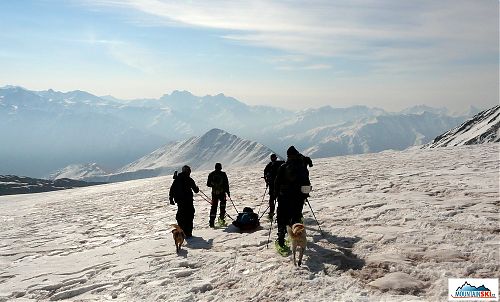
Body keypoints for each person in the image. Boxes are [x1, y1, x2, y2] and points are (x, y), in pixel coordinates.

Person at [274, 146, 311, 248]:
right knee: (296, 217)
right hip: (298, 198)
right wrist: (305, 195)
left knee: (282, 217)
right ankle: (298, 238)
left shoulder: (283, 167)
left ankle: (281, 238)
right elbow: (306, 183)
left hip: (284, 197)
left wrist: (276, 195)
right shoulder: (302, 167)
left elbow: (277, 183)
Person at [169, 165, 199, 238]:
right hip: (188, 201)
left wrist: (171, 199)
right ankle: (188, 233)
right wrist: (197, 188)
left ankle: (182, 232)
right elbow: (196, 190)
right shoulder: (189, 179)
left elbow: (172, 189)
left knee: (181, 217)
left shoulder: (177, 179)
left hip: (180, 202)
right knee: (189, 216)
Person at [206, 163, 230, 227]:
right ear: (220, 167)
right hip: (222, 193)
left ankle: (211, 222)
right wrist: (228, 192)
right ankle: (221, 221)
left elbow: (208, 184)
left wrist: (214, 185)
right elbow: (226, 184)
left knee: (214, 207)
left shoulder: (211, 174)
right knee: (222, 207)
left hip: (214, 193)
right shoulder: (223, 174)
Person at [263, 154, 284, 219]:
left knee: (272, 200)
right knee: (280, 201)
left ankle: (271, 214)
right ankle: (280, 215)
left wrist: (267, 181)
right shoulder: (281, 164)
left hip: (272, 186)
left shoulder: (269, 165)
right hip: (280, 186)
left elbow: (265, 173)